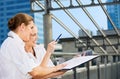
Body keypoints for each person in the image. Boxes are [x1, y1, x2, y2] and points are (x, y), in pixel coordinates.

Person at [0, 13, 66, 79]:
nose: (31, 32)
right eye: (31, 27)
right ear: (22, 27)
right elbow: (35, 72)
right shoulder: (13, 44)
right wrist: (57, 68)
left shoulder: (15, 43)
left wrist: (61, 69)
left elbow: (35, 73)